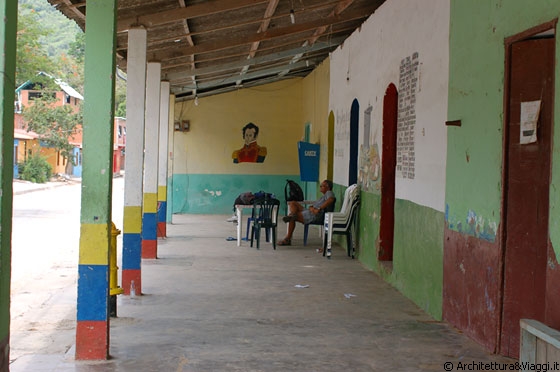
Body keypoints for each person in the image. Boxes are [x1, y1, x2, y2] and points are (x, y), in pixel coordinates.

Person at [278, 180, 335, 246]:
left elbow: (331, 199)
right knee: (293, 203)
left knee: (292, 218)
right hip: (310, 211)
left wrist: (319, 208)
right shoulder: (324, 196)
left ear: (328, 187)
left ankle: (287, 238)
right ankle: (292, 215)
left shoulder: (329, 193)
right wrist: (311, 208)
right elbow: (314, 206)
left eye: (322, 186)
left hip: (314, 215)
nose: (320, 187)